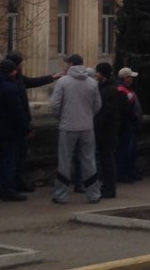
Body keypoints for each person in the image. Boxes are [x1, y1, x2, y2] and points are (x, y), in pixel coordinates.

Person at [51, 54, 102, 204]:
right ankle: (93, 194)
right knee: (89, 160)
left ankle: (61, 195)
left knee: (65, 160)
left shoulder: (63, 81)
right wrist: (88, 116)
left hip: (68, 125)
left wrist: (61, 118)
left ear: (71, 64)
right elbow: (97, 105)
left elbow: (55, 105)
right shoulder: (92, 83)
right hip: (87, 126)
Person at [7, 51, 61, 191]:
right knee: (12, 158)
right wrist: (26, 126)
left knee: (20, 157)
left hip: (20, 124)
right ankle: (11, 186)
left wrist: (51, 77)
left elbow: (32, 82)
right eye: (21, 64)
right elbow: (16, 108)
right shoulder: (9, 83)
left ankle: (19, 183)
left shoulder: (18, 78)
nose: (22, 66)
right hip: (13, 125)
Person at [0, 59, 30, 201]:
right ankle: (8, 189)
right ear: (11, 71)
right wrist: (25, 127)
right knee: (10, 161)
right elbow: (17, 111)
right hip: (11, 130)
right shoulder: (10, 87)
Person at [93, 62, 121, 198]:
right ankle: (107, 186)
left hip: (106, 131)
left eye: (97, 72)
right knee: (105, 160)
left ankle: (109, 188)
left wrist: (97, 123)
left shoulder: (110, 89)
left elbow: (109, 112)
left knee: (107, 160)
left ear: (102, 73)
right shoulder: (104, 87)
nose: (95, 74)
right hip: (104, 130)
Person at [116, 66, 142, 183]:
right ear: (125, 78)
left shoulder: (127, 90)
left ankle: (129, 172)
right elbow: (125, 110)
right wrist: (134, 119)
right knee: (125, 150)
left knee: (130, 150)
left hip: (130, 125)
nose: (132, 79)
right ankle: (124, 173)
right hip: (126, 126)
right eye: (130, 77)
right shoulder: (122, 90)